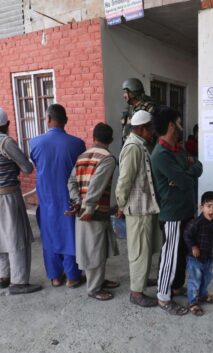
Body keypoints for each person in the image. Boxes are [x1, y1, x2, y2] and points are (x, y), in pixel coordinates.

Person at [0, 107, 41, 294]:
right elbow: (27, 168)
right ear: (7, 124)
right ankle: (19, 282)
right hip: (8, 196)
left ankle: (3, 277)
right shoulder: (5, 142)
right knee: (16, 239)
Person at [151, 106, 203, 315]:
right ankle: (163, 297)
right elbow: (183, 181)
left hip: (186, 211)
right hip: (172, 214)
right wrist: (185, 175)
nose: (182, 126)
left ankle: (176, 286)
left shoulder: (177, 149)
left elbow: (198, 166)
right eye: (179, 122)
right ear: (171, 125)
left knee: (182, 253)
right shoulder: (161, 154)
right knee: (169, 256)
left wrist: (186, 173)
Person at [30, 104, 86, 288]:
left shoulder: (35, 143)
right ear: (66, 120)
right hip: (69, 197)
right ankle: (72, 276)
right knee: (70, 233)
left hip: (46, 198)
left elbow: (36, 164)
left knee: (49, 234)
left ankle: (55, 276)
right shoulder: (77, 144)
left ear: (47, 119)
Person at [67, 123, 120, 301]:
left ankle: (99, 281)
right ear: (111, 140)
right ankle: (94, 288)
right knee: (94, 250)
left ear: (93, 138)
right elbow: (97, 185)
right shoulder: (108, 158)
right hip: (93, 212)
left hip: (84, 209)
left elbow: (71, 182)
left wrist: (76, 201)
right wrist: (88, 207)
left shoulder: (82, 156)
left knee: (98, 248)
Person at [115, 110, 162, 307]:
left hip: (145, 207)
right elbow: (124, 180)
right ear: (141, 128)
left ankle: (141, 282)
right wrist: (120, 204)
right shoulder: (133, 147)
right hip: (138, 208)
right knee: (139, 251)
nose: (153, 132)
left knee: (147, 248)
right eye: (150, 128)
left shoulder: (140, 144)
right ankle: (136, 293)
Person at [183, 191, 213, 316]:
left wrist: (210, 252)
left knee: (207, 277)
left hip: (207, 257)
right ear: (201, 207)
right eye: (208, 206)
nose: (211, 210)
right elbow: (187, 235)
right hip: (195, 259)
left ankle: (203, 295)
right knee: (195, 280)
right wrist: (193, 246)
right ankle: (192, 302)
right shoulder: (196, 223)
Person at [121, 78, 156, 146]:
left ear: (133, 93)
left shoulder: (149, 108)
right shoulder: (130, 109)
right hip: (129, 145)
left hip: (143, 148)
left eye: (126, 92)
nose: (124, 95)